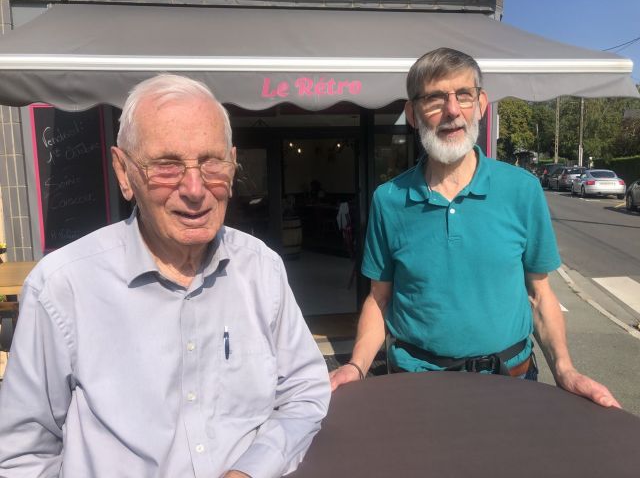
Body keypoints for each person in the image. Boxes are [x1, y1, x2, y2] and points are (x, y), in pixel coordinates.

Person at [0, 74, 330, 477]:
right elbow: (20, 455)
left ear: (232, 163)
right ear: (124, 173)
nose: (195, 188)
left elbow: (304, 392)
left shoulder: (261, 268)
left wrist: (251, 470)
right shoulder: (62, 288)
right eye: (167, 166)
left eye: (211, 163)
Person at [329, 48, 619, 409]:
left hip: (511, 382)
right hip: (415, 385)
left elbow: (540, 294)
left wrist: (565, 370)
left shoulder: (522, 190)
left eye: (463, 95)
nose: (452, 111)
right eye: (435, 99)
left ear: (480, 104)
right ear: (413, 115)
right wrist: (357, 366)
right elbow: (379, 298)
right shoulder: (389, 200)